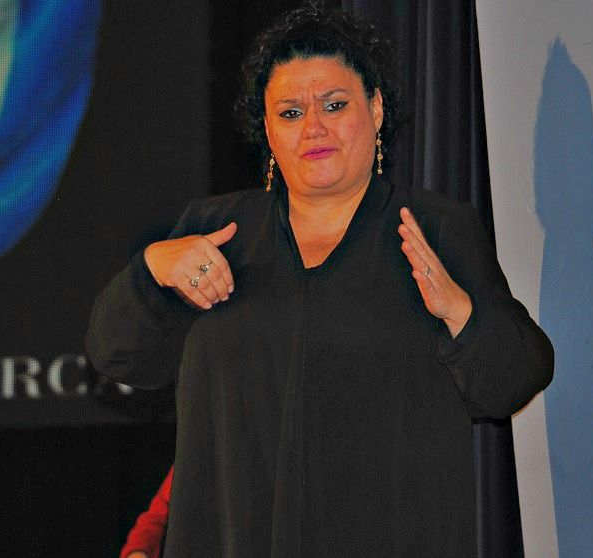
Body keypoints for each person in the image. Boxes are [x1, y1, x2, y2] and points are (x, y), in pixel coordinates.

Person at [88, 3, 553, 556]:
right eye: (290, 113)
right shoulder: (215, 234)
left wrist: (459, 312)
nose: (313, 127)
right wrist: (154, 269)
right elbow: (115, 355)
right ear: (268, 129)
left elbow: (516, 378)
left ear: (375, 109)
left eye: (334, 105)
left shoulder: (435, 229)